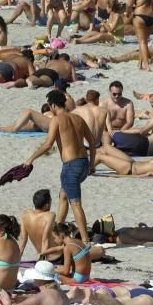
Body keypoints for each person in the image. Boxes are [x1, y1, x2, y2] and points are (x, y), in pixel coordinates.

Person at [22, 90, 97, 244]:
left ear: (54, 105)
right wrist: (91, 164)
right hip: (83, 163)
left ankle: (85, 240)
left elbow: (48, 144)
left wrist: (31, 158)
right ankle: (58, 229)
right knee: (63, 196)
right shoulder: (77, 118)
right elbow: (92, 141)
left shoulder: (56, 120)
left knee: (75, 204)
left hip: (71, 167)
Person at [20, 189, 57, 260]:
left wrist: (16, 260)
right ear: (46, 205)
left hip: (40, 254)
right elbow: (45, 239)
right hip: (54, 257)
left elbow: (23, 239)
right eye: (50, 201)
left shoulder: (25, 214)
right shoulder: (50, 216)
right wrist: (43, 261)